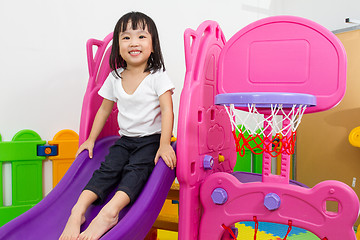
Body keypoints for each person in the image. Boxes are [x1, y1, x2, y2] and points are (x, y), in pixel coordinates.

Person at [59, 11, 176, 240]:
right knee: (107, 170)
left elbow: (167, 110)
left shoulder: (157, 76)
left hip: (150, 141)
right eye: (126, 37)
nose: (134, 42)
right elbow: (104, 109)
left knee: (136, 172)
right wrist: (90, 140)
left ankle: (110, 212)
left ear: (153, 45)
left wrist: (164, 144)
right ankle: (77, 211)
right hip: (125, 140)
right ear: (118, 45)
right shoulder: (115, 77)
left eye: (142, 37)